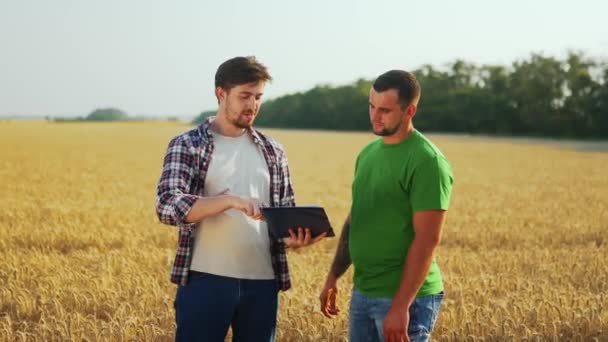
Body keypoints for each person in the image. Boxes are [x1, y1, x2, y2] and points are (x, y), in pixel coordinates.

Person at [156, 56, 325, 342]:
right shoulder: (188, 144)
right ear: (221, 93)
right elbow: (167, 205)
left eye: (258, 96)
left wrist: (294, 239)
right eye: (244, 96)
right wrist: (228, 201)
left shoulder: (273, 150)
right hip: (205, 281)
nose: (252, 105)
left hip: (263, 284)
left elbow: (283, 213)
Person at [319, 70, 454, 342]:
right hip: (364, 292)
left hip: (405, 300)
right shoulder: (367, 154)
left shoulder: (427, 161)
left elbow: (427, 240)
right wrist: (333, 276)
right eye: (371, 106)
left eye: (385, 110)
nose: (374, 116)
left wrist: (401, 306)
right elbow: (355, 219)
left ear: (410, 110)